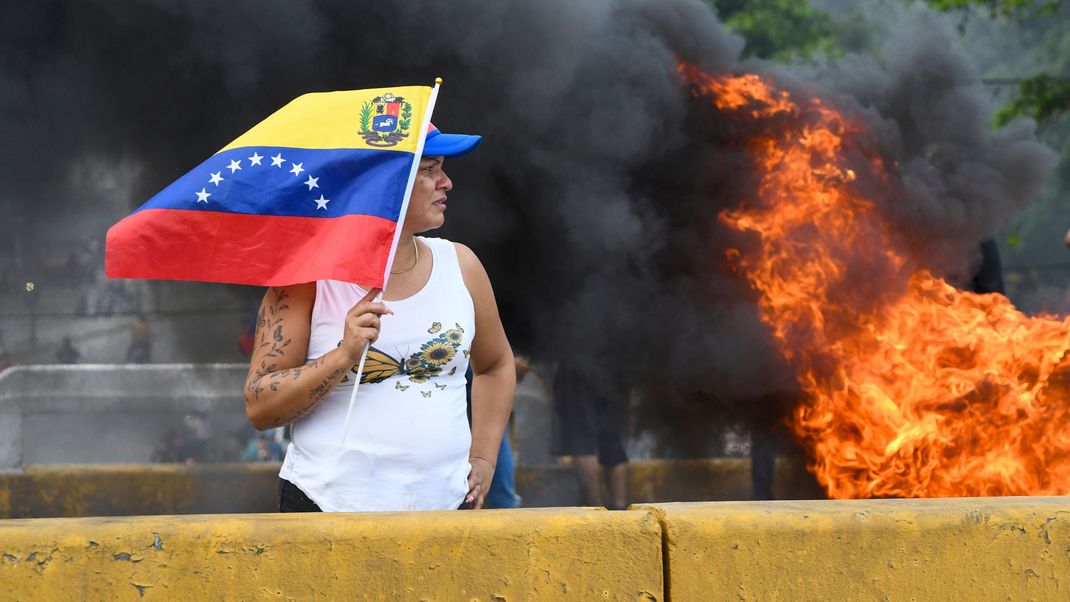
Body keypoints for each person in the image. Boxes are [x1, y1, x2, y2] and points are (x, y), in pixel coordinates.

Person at [243, 124, 515, 512]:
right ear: (384, 182)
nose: (446, 182)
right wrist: (343, 355)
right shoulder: (304, 281)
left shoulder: (461, 265)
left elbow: (496, 365)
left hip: (447, 512)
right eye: (429, 169)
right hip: (325, 512)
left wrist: (485, 459)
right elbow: (259, 407)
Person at [551, 361, 630, 510]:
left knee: (581, 439)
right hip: (611, 366)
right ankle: (620, 509)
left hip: (577, 366)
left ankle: (598, 511)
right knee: (612, 438)